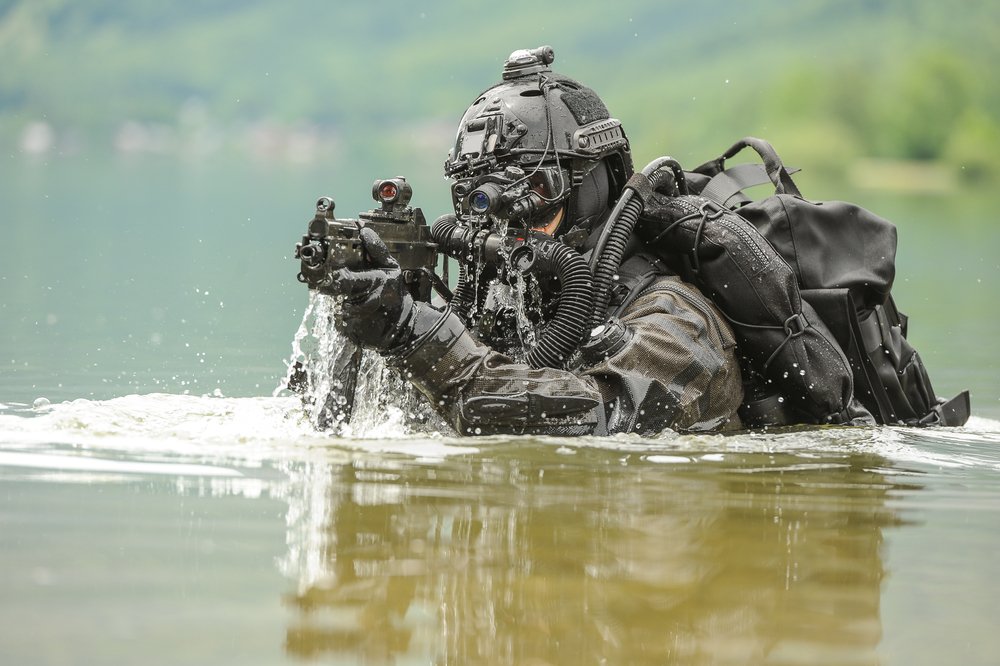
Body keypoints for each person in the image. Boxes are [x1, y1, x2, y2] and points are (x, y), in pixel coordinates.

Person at [335, 46, 744, 436]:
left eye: (534, 196)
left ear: (594, 189)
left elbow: (593, 423)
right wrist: (379, 324)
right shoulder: (506, 312)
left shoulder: (677, 325)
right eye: (482, 203)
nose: (504, 227)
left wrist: (417, 333)